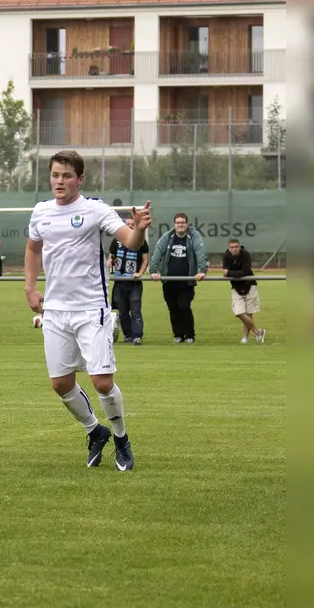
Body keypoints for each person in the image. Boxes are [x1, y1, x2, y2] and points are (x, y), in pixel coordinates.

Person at [23, 150, 151, 472]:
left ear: (80, 179)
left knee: (102, 382)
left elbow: (130, 241)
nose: (60, 181)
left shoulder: (95, 210)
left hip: (91, 309)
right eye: (55, 175)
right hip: (55, 312)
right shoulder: (41, 212)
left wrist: (140, 228)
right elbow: (32, 247)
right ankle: (96, 430)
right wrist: (29, 286)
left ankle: (121, 439)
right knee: (60, 384)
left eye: (67, 176)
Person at [150, 213, 207, 343]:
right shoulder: (168, 236)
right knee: (173, 308)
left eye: (183, 222)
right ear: (174, 224)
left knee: (184, 306)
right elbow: (158, 252)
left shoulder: (194, 236)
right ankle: (178, 335)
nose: (180, 224)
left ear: (187, 224)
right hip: (169, 281)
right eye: (178, 222)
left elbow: (200, 252)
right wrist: (153, 270)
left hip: (186, 281)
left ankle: (190, 335)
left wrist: (202, 270)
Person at [109, 228, 150, 344]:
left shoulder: (141, 241)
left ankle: (137, 336)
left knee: (135, 310)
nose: (130, 226)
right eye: (128, 224)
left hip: (133, 282)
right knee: (122, 311)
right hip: (119, 281)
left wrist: (140, 273)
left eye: (133, 224)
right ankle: (127, 335)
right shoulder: (116, 240)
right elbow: (111, 257)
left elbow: (145, 259)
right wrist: (109, 263)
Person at [222, 238, 265, 344]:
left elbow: (246, 271)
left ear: (239, 247)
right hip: (236, 287)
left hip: (250, 284)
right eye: (232, 247)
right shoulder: (226, 256)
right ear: (228, 248)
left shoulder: (245, 254)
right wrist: (235, 273)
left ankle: (245, 338)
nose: (234, 249)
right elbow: (224, 272)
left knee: (249, 313)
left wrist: (230, 273)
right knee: (239, 312)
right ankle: (258, 332)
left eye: (236, 247)